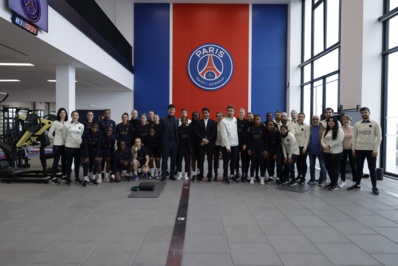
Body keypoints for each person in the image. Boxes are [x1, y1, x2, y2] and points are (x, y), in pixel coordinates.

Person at [348, 107, 382, 195]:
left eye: (365, 112)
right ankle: (357, 184)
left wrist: (376, 149)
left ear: (369, 113)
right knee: (359, 168)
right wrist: (353, 149)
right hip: (359, 149)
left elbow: (379, 137)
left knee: (372, 169)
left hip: (371, 150)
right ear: (361, 114)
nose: (364, 114)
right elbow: (354, 137)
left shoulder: (375, 123)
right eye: (362, 113)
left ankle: (374, 187)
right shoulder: (357, 124)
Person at [321, 116, 345, 191]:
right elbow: (322, 140)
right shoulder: (326, 131)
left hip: (336, 152)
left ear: (335, 122)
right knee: (329, 169)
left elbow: (339, 140)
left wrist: (329, 146)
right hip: (326, 152)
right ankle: (332, 182)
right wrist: (324, 146)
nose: (330, 122)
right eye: (329, 121)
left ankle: (335, 184)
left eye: (332, 121)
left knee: (334, 169)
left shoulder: (339, 130)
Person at [63, 111, 85, 185]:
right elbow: (64, 135)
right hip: (69, 147)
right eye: (73, 115)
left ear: (78, 116)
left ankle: (77, 178)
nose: (75, 116)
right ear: (71, 116)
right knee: (68, 163)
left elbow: (81, 135)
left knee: (77, 163)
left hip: (78, 147)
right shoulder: (66, 124)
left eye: (76, 115)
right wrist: (68, 142)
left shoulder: (81, 125)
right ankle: (68, 178)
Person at [48, 107, 68, 185]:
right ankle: (54, 178)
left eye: (64, 112)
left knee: (64, 161)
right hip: (57, 145)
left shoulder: (68, 123)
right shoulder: (55, 122)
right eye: (61, 113)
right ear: (59, 114)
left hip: (65, 145)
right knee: (56, 161)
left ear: (66, 114)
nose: (62, 114)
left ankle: (63, 175)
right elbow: (49, 134)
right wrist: (55, 139)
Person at [159, 104, 179, 181]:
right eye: (170, 109)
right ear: (168, 110)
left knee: (173, 159)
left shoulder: (177, 120)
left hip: (174, 143)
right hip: (166, 143)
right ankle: (163, 174)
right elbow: (160, 132)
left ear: (175, 111)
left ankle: (172, 174)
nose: (171, 111)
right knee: (164, 159)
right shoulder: (163, 120)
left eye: (173, 109)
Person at [196, 107, 216, 182]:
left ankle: (210, 175)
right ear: (202, 114)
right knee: (201, 160)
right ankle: (201, 175)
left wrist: (208, 140)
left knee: (210, 161)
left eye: (206, 113)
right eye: (204, 113)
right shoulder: (199, 122)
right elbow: (197, 132)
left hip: (210, 144)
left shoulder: (212, 122)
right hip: (201, 144)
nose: (205, 114)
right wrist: (203, 140)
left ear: (209, 113)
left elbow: (214, 132)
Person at [220, 105, 239, 184]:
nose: (230, 112)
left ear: (233, 112)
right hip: (226, 146)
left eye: (231, 110)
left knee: (233, 161)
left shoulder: (235, 119)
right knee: (226, 161)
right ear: (226, 111)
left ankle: (232, 175)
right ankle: (225, 176)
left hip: (235, 144)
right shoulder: (223, 121)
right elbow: (224, 136)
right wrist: (227, 146)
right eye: (228, 110)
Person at [308, 115, 327, 185]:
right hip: (311, 149)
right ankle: (312, 179)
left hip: (321, 149)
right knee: (312, 165)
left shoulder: (323, 128)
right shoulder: (310, 128)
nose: (315, 121)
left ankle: (322, 179)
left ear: (319, 120)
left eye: (317, 119)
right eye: (313, 119)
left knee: (322, 166)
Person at [247, 115, 266, 185]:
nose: (257, 121)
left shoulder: (263, 128)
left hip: (261, 149)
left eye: (259, 119)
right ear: (254, 120)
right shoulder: (251, 128)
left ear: (261, 120)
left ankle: (262, 178)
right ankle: (252, 177)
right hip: (253, 149)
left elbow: (265, 140)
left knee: (262, 164)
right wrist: (249, 148)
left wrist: (265, 150)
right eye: (256, 119)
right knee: (253, 164)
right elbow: (249, 139)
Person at [340, 115, 357, 188]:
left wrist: (354, 147)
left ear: (350, 121)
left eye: (347, 120)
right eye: (344, 120)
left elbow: (356, 139)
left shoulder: (354, 128)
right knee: (342, 166)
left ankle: (355, 181)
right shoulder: (339, 129)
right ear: (342, 121)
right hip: (342, 149)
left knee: (353, 166)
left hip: (351, 149)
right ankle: (343, 181)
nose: (346, 121)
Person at [294, 112, 310, 184]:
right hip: (296, 147)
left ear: (304, 118)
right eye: (299, 116)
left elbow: (307, 138)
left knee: (303, 162)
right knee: (297, 162)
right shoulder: (294, 125)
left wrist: (305, 148)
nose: (300, 118)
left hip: (303, 147)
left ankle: (303, 177)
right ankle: (299, 175)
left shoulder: (307, 126)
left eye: (302, 117)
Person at [236, 108, 250, 182]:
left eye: (242, 112)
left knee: (244, 160)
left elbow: (246, 134)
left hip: (243, 144)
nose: (241, 113)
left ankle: (244, 174)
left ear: (244, 113)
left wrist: (245, 143)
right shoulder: (235, 121)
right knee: (236, 159)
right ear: (238, 113)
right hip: (235, 143)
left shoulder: (247, 122)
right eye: (240, 112)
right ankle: (237, 173)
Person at [189, 111, 201, 181]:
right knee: (193, 160)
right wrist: (190, 147)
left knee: (200, 161)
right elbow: (189, 137)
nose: (195, 117)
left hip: (200, 145)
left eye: (197, 115)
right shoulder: (190, 125)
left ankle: (199, 174)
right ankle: (194, 174)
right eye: (194, 115)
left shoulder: (201, 124)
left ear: (199, 116)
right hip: (193, 146)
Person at [213, 112, 223, 181]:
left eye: (220, 116)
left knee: (225, 159)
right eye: (217, 116)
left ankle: (225, 174)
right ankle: (216, 174)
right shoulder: (214, 124)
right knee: (216, 159)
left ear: (223, 116)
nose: (219, 117)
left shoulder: (225, 124)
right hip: (216, 144)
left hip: (223, 144)